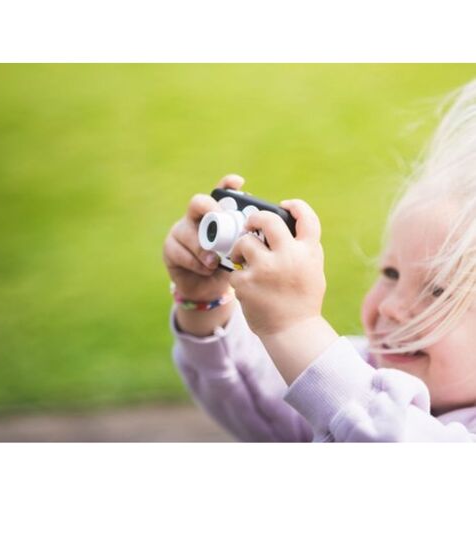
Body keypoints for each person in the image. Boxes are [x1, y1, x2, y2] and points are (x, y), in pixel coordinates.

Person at [162, 80, 476, 441]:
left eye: (438, 291)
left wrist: (294, 327)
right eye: (391, 272)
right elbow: (255, 400)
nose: (390, 307)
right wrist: (204, 301)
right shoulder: (367, 365)